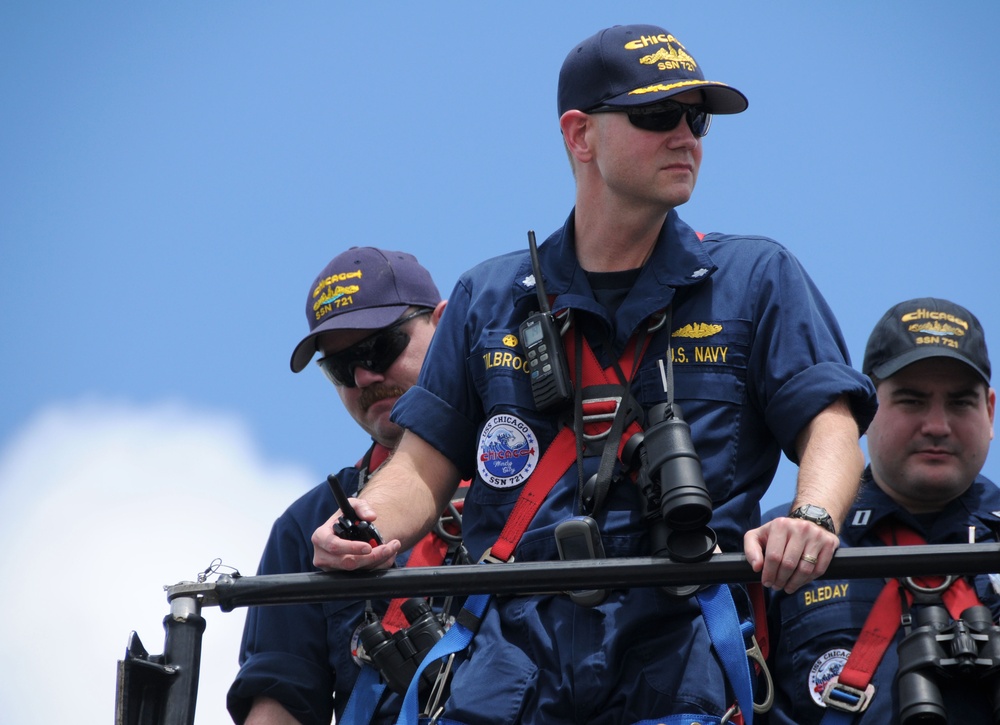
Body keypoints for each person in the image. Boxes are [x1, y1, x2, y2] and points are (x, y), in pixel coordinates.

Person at [312, 24, 877, 724]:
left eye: (696, 117)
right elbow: (421, 468)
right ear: (579, 135)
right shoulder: (488, 298)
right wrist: (362, 523)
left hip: (678, 655)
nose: (686, 136)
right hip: (504, 665)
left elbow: (832, 425)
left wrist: (813, 516)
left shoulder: (757, 278)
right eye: (656, 115)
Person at [227, 246, 457, 725]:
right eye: (341, 367)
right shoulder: (306, 525)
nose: (364, 377)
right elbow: (279, 705)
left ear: (445, 325)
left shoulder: (531, 471)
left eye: (381, 348)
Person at [765, 297, 1000, 724]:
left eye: (960, 402)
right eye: (912, 401)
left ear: (989, 410)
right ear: (866, 409)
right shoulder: (789, 544)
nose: (936, 425)